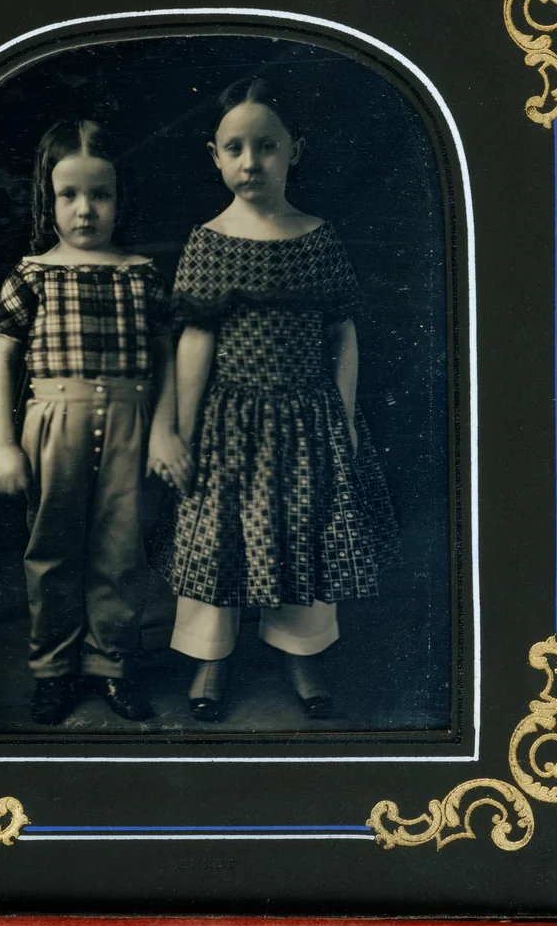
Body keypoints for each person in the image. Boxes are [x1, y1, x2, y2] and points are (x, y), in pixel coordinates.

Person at [159, 77, 398, 722]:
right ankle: (212, 654)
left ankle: (302, 650)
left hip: (307, 413)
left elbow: (342, 333)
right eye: (234, 148)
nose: (249, 162)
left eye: (266, 146)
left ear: (295, 150)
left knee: (307, 527)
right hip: (231, 418)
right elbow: (195, 342)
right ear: (214, 155)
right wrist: (181, 430)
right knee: (220, 534)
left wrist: (343, 419)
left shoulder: (317, 237)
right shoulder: (208, 240)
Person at [0, 118, 192, 725]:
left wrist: (163, 428)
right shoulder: (33, 274)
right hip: (53, 428)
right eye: (69, 195)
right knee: (51, 551)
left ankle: (111, 667)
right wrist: (3, 445)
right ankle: (52, 670)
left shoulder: (139, 274)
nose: (84, 210)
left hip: (131, 425)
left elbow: (166, 357)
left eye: (99, 194)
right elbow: (1, 358)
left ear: (120, 197)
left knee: (121, 551)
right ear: (47, 199)